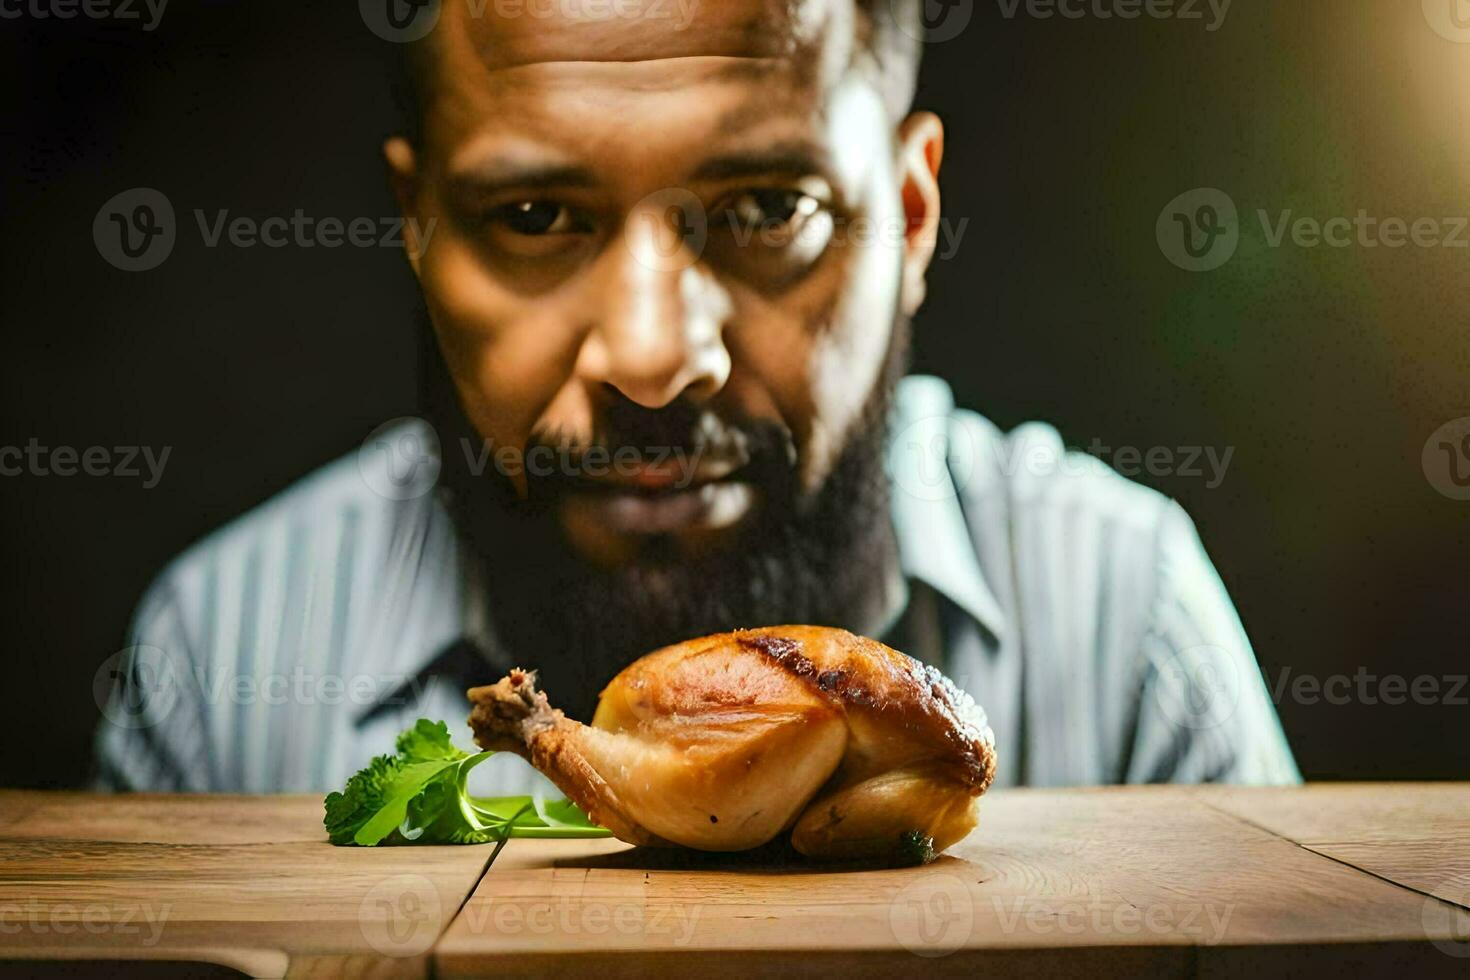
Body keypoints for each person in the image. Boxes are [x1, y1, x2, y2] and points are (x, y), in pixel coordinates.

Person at [94, 0, 1298, 794]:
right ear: (417, 229)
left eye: (771, 210)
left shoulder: (1126, 630)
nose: (657, 359)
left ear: (913, 217)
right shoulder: (220, 666)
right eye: (533, 219)